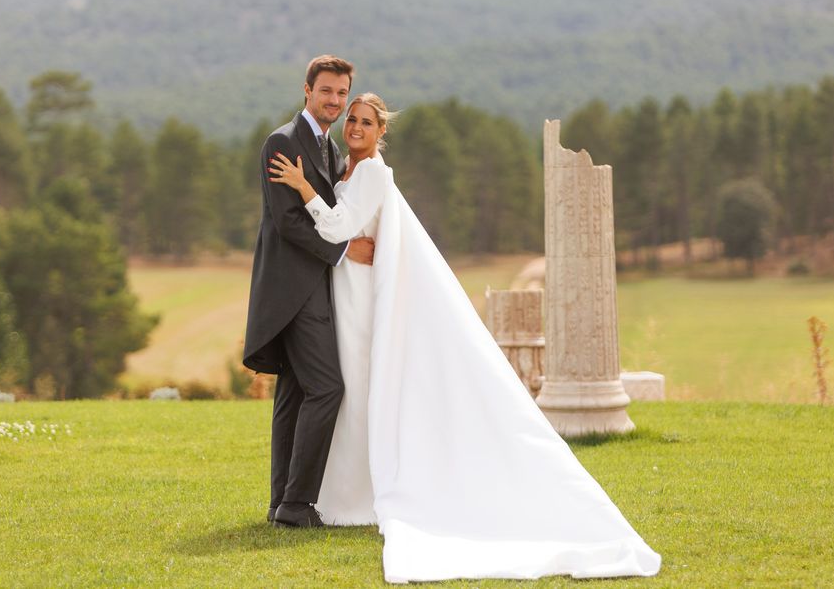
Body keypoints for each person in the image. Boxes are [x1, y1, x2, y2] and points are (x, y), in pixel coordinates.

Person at [268, 93, 661, 582]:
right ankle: (334, 495)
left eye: (367, 122)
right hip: (345, 294)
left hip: (360, 300)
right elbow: (346, 234)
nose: (356, 127)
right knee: (350, 393)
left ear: (380, 131)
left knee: (358, 390)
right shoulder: (348, 169)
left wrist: (304, 188)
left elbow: (340, 227)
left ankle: (355, 498)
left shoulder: (373, 173)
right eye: (352, 119)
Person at [243, 55, 375, 529]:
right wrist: (343, 254)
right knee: (328, 387)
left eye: (342, 94)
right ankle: (298, 504)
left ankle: (281, 503)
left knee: (296, 394)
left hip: (312, 289)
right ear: (307, 90)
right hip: (293, 292)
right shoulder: (283, 141)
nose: (335, 102)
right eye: (327, 92)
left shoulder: (328, 149)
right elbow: (288, 222)